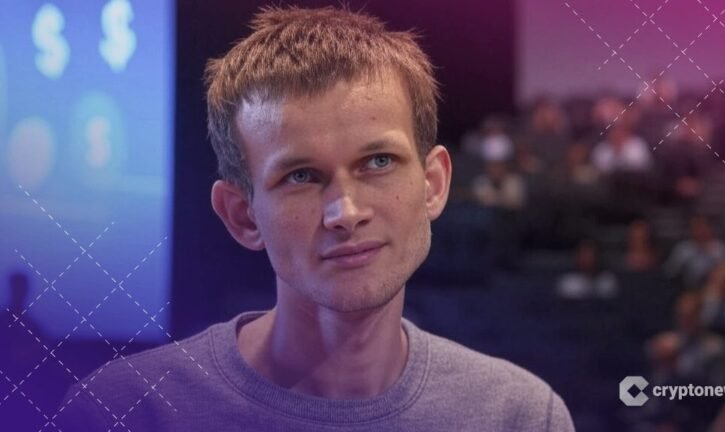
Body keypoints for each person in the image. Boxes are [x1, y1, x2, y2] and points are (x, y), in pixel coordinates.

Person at [56, 7, 574, 432]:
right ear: (242, 216)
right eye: (301, 176)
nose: (346, 213)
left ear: (433, 184)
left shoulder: (520, 417)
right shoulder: (122, 412)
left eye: (378, 162)